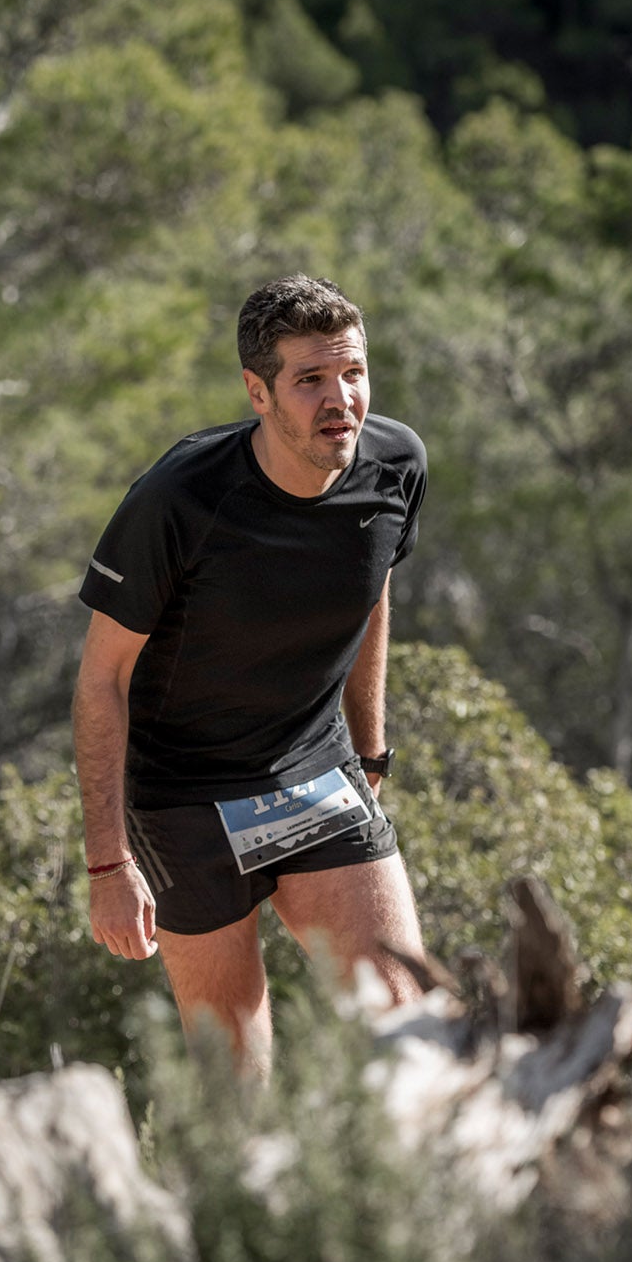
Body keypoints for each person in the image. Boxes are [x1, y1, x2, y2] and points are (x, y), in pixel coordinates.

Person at [72, 273, 440, 1081]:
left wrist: (370, 748)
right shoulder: (179, 499)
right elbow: (101, 678)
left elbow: (370, 580)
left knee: (410, 1026)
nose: (340, 398)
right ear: (258, 392)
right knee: (234, 1081)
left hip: (315, 770)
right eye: (310, 379)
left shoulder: (395, 464)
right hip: (185, 800)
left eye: (352, 372)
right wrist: (108, 863)